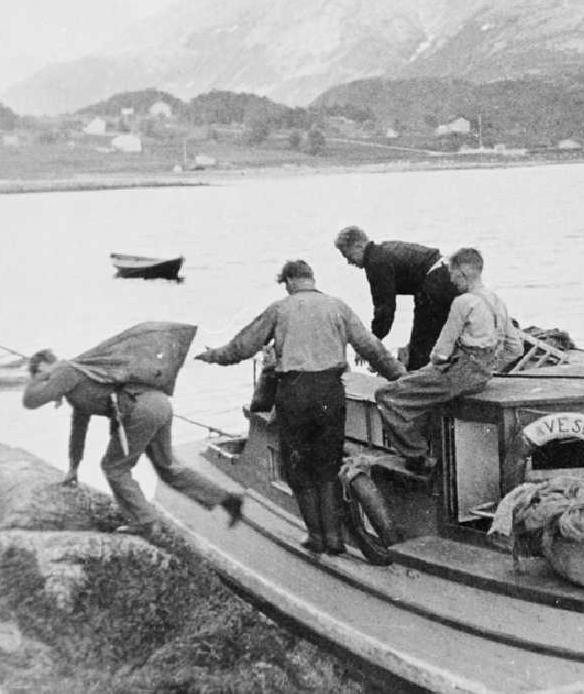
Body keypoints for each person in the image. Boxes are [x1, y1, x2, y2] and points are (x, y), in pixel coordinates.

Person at [195, 259, 405, 554]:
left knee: (298, 468)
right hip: (330, 393)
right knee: (328, 466)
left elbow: (243, 346)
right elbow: (372, 348)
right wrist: (402, 378)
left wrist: (215, 356)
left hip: (294, 393)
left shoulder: (280, 309)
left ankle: (317, 537)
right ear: (312, 278)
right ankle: (334, 539)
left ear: (290, 280)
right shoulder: (339, 307)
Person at [22, 349, 243, 536]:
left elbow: (30, 401)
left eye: (42, 376)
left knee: (114, 467)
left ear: (46, 367)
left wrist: (42, 375)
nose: (46, 385)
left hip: (142, 409)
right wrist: (74, 467)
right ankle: (227, 499)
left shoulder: (64, 371)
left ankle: (145, 521)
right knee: (168, 468)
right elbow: (79, 429)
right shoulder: (76, 383)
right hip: (158, 404)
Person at [375, 247, 523, 472]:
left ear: (462, 273)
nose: (451, 281)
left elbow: (440, 353)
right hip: (482, 375)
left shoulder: (463, 302)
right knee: (417, 386)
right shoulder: (496, 301)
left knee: (387, 395)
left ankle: (418, 456)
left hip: (457, 373)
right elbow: (515, 348)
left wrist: (423, 371)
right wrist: (488, 366)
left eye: (452, 275)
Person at [334, 225, 459, 371]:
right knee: (437, 335)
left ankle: (415, 384)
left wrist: (370, 345)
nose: (349, 262)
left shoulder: (375, 262)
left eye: (348, 256)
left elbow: (384, 310)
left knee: (421, 346)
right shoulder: (383, 250)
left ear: (358, 245)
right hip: (448, 273)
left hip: (435, 281)